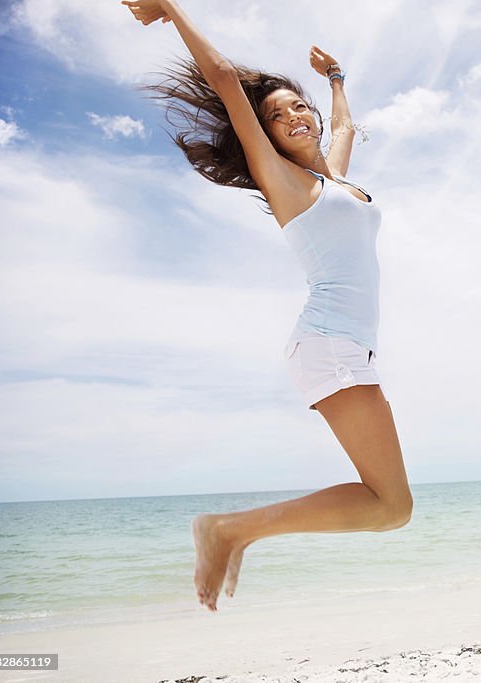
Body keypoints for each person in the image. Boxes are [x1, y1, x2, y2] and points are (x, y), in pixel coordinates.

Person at [122, 0, 414, 612]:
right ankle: (230, 529)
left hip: (342, 347)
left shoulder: (332, 179)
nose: (295, 117)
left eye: (297, 106)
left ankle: (235, 530)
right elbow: (227, 80)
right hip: (329, 343)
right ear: (268, 137)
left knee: (392, 508)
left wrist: (335, 81)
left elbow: (345, 131)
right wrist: (171, 9)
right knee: (391, 505)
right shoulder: (284, 181)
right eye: (278, 117)